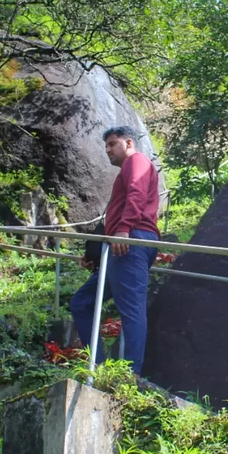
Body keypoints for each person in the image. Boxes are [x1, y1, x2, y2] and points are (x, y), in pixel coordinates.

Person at [70, 126, 160, 374]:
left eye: (112, 144)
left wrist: (124, 229)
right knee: (82, 302)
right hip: (121, 246)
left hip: (131, 241)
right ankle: (98, 367)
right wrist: (95, 253)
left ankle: (129, 377)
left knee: (131, 310)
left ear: (128, 143)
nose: (107, 150)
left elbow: (137, 193)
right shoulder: (127, 170)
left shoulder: (137, 161)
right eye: (106, 146)